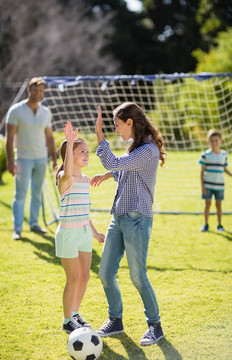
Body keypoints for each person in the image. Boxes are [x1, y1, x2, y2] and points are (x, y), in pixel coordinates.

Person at [90, 102, 167, 346]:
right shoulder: (135, 149)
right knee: (105, 273)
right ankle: (116, 319)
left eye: (117, 125)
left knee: (137, 275)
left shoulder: (149, 150)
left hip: (137, 220)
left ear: (130, 123)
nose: (116, 130)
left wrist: (100, 136)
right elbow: (123, 167)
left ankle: (155, 326)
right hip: (118, 218)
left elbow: (117, 163)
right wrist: (107, 175)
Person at [55, 121, 105, 334]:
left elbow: (84, 211)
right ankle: (67, 320)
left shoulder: (85, 179)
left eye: (87, 151)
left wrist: (94, 233)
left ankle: (74, 313)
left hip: (84, 232)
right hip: (68, 234)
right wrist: (70, 141)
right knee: (73, 278)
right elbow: (66, 173)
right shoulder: (64, 178)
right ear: (69, 154)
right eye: (81, 151)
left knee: (84, 276)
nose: (86, 154)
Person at [5, 77, 57, 240]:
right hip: (23, 159)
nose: (38, 93)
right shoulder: (16, 110)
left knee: (37, 193)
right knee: (20, 194)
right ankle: (17, 229)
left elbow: (49, 137)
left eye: (41, 91)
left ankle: (34, 223)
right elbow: (9, 137)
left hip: (41, 159)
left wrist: (55, 159)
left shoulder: (46, 112)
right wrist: (10, 161)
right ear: (29, 90)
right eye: (35, 90)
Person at [199, 129, 232, 232]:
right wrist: (203, 186)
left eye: (216, 140)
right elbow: (202, 172)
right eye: (212, 140)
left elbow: (224, 168)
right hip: (208, 185)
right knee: (207, 204)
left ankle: (219, 225)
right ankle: (205, 224)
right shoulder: (205, 155)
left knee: (219, 205)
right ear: (208, 141)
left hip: (219, 185)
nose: (214, 143)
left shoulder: (224, 155)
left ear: (220, 141)